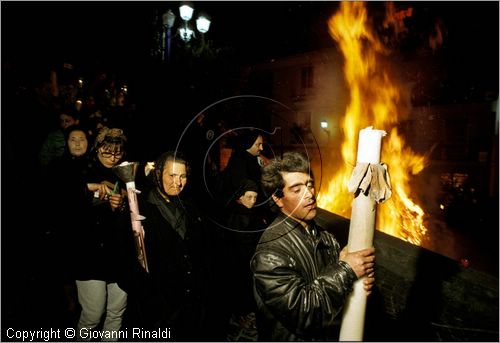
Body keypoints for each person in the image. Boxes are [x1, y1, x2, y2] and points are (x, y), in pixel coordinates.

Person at [250, 151, 376, 341]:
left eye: (310, 185)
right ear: (278, 199)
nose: (309, 194)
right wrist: (346, 271)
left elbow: (330, 295)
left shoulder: (326, 238)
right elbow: (304, 314)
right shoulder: (270, 253)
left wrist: (354, 285)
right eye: (296, 189)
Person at [137, 151, 226, 341]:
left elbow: (205, 253)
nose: (177, 182)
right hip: (160, 309)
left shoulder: (191, 207)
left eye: (182, 176)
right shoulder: (140, 210)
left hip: (193, 306)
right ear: (158, 173)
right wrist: (149, 296)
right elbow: (128, 261)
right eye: (171, 175)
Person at [74, 127, 130, 341]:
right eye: (107, 152)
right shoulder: (83, 169)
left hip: (119, 253)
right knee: (92, 315)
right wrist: (95, 190)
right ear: (97, 150)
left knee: (116, 313)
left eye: (117, 152)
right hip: (91, 255)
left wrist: (124, 197)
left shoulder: (124, 172)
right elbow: (65, 197)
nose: (112, 157)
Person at [226, 179, 267, 330]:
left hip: (248, 260)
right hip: (239, 261)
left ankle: (245, 314)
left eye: (255, 198)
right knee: (240, 290)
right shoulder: (237, 214)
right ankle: (241, 318)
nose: (252, 201)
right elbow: (242, 239)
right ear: (240, 197)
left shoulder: (249, 212)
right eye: (249, 197)